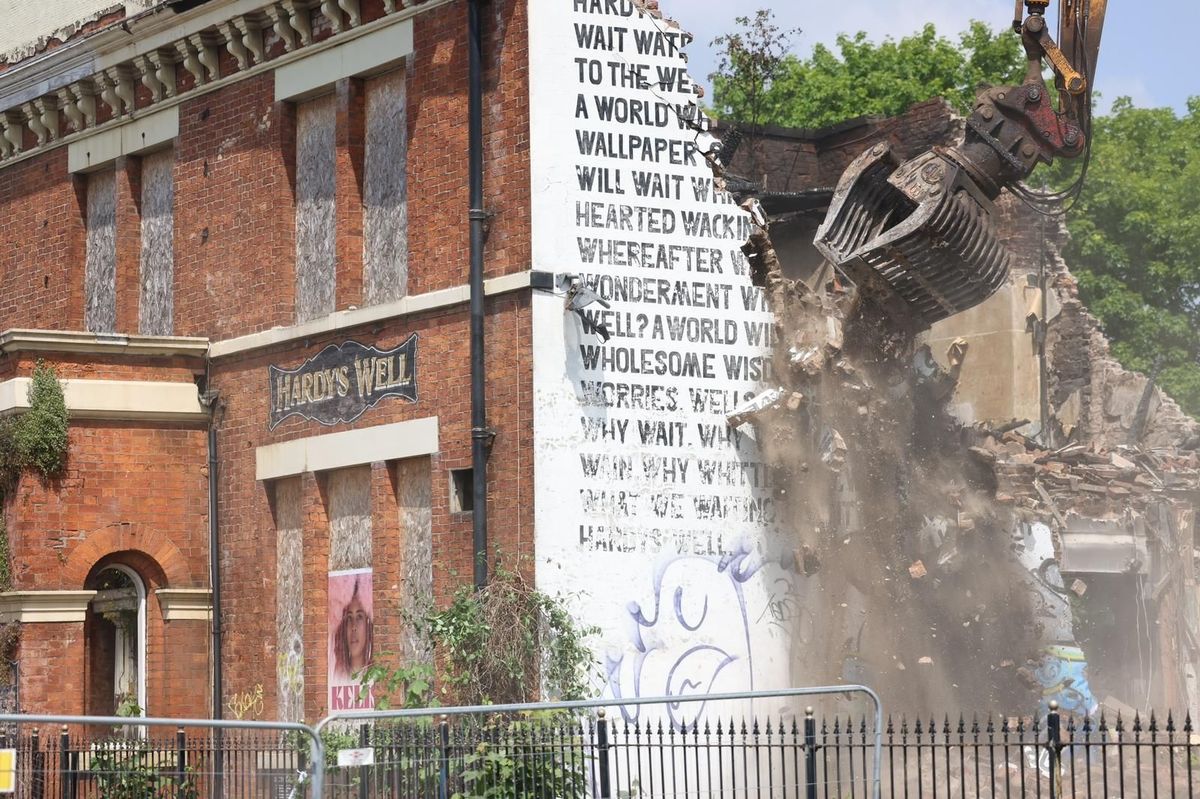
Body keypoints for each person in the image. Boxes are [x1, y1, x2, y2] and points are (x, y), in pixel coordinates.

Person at [332, 576, 373, 681]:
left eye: (359, 617)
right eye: (349, 618)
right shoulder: (336, 678)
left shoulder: (375, 676)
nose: (353, 627)